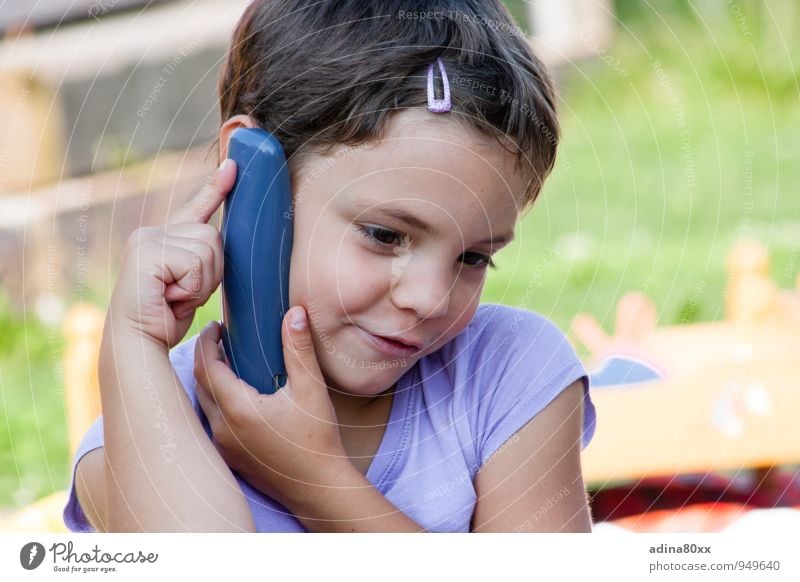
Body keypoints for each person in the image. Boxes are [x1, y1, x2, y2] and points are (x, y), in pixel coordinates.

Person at [63, 0, 597, 533]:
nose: (430, 298)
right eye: (386, 235)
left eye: (474, 257)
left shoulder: (511, 376)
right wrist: (130, 340)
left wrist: (313, 479)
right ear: (249, 177)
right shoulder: (135, 443)